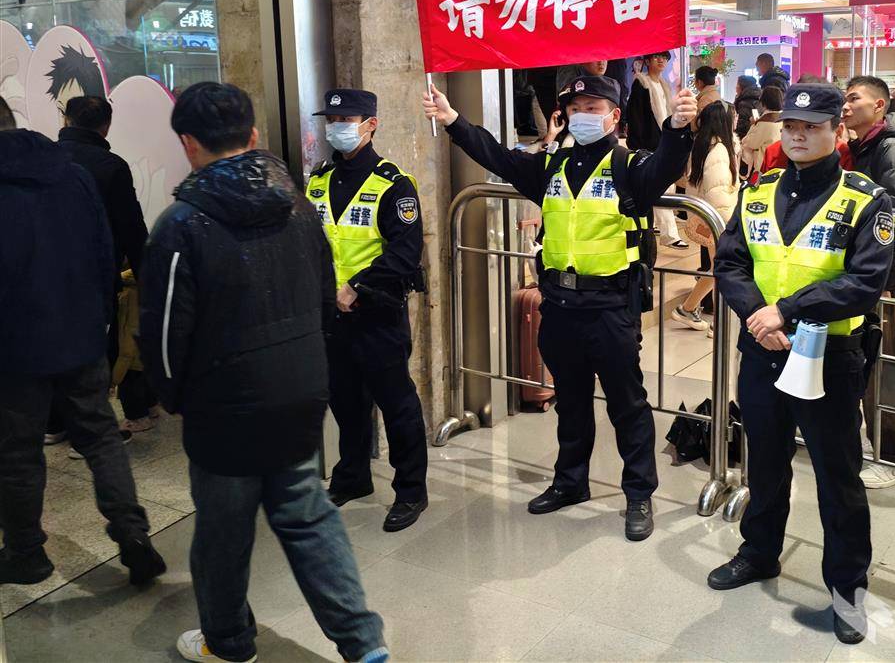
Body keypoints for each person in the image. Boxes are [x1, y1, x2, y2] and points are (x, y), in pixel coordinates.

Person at [137, 83, 386, 663]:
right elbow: (323, 300)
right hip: (300, 391)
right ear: (252, 136)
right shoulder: (299, 207)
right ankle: (364, 644)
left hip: (224, 408)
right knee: (309, 518)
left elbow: (165, 334)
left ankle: (228, 643)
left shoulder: (181, 224)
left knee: (223, 534)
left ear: (188, 143)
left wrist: (175, 399)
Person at [424, 75, 695, 541]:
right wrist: (453, 121)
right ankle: (570, 482)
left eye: (593, 107)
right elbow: (499, 157)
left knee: (627, 406)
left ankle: (638, 494)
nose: (582, 115)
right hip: (561, 305)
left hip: (611, 307)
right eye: (575, 108)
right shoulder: (551, 166)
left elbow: (668, 163)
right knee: (569, 403)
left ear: (614, 115)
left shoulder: (630, 166)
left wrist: (677, 127)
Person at [710, 82, 893, 644]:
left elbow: (865, 282)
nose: (797, 135)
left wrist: (785, 311)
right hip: (762, 351)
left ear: (837, 132)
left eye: (812, 127)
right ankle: (759, 551)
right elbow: (730, 263)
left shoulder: (865, 200)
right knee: (764, 461)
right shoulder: (759, 191)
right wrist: (756, 317)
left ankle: (847, 590)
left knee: (838, 477)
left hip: (829, 357)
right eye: (790, 125)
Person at [0, 97, 164, 588]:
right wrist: (99, 317)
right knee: (100, 436)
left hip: (15, 345)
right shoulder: (71, 174)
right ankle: (133, 533)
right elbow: (104, 249)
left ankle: (26, 553)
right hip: (80, 332)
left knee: (17, 451)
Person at [306, 89, 429, 532]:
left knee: (397, 406)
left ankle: (411, 490)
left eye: (345, 120)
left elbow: (405, 252)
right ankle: (353, 477)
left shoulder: (393, 183)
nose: (336, 128)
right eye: (332, 120)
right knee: (345, 403)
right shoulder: (318, 180)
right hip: (331, 318)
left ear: (370, 124)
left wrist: (357, 286)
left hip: (377, 315)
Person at [841, 76, 895, 489]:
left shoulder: (890, 147)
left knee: (887, 364)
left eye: (853, 98)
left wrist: (884, 277)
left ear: (879, 105)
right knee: (869, 361)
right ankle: (878, 444)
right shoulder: (864, 146)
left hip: (887, 277)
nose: (845, 106)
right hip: (870, 274)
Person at [58, 96, 155, 431]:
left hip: (46, 275)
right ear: (106, 126)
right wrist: (146, 276)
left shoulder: (44, 160)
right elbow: (131, 227)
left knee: (57, 346)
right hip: (95, 275)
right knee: (102, 348)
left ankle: (56, 425)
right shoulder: (111, 166)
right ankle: (93, 429)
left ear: (67, 120)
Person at [671, 101, 739, 337]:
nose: (737, 120)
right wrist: (729, 228)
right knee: (722, 270)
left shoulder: (705, 145)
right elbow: (718, 193)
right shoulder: (719, 150)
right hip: (716, 221)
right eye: (734, 116)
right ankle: (718, 323)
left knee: (716, 269)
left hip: (706, 219)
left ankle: (688, 308)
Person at [627, 53, 687, 248]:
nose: (661, 61)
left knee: (664, 187)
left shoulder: (664, 85)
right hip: (648, 144)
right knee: (661, 187)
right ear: (648, 61)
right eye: (656, 57)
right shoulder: (641, 83)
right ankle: (670, 234)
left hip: (663, 141)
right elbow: (635, 117)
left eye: (664, 58)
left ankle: (658, 228)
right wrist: (638, 145)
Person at [740, 85, 783, 177]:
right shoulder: (785, 119)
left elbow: (751, 143)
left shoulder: (765, 123)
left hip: (764, 166)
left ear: (764, 102)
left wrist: (753, 125)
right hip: (781, 164)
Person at [734, 74, 762, 140]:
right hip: (757, 137)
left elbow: (742, 127)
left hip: (746, 139)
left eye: (737, 84)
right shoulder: (758, 98)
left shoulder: (744, 103)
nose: (736, 87)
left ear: (742, 86)